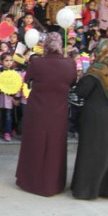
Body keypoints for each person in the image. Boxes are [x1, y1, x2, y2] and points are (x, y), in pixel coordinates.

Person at [15, 32, 77, 197]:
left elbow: (27, 80)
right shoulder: (69, 64)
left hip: (37, 111)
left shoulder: (36, 62)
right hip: (58, 112)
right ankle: (53, 184)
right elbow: (73, 82)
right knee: (55, 146)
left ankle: (30, 182)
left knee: (34, 144)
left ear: (45, 45)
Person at [71, 39, 108, 199]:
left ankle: (87, 189)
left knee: (92, 151)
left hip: (96, 118)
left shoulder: (97, 70)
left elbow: (81, 91)